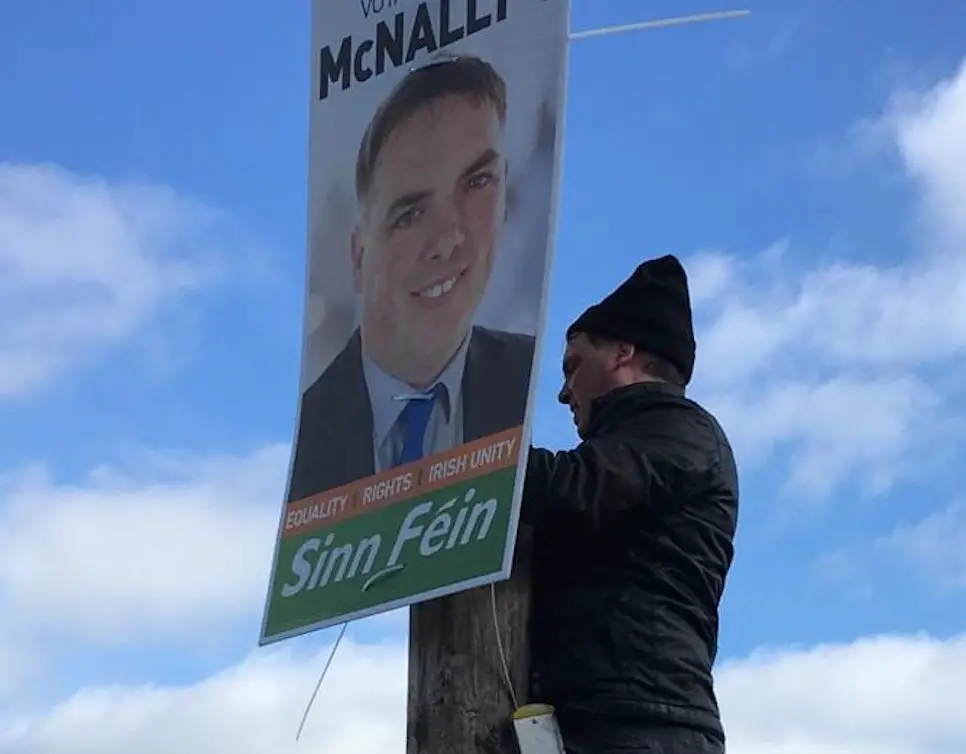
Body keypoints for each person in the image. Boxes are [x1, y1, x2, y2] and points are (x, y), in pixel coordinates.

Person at [288, 55, 535, 503]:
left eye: (477, 181)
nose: (449, 238)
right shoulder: (307, 438)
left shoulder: (532, 379)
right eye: (411, 214)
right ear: (359, 256)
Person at [523, 255, 739, 753]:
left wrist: (464, 463)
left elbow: (579, 487)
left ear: (622, 353)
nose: (563, 392)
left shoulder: (682, 430)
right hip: (596, 724)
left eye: (573, 365)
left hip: (646, 728)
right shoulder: (650, 440)